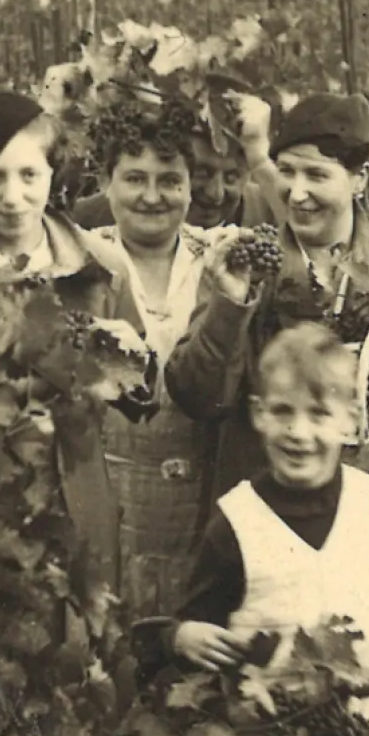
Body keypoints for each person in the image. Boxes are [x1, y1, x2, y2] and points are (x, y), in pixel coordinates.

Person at [169, 325, 369, 736]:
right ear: (258, 414)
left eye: (319, 414)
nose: (299, 432)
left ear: (350, 421)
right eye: (283, 411)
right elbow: (193, 617)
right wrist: (183, 636)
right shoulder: (236, 522)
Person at [165, 93, 369, 500]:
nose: (297, 192)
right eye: (287, 172)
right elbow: (198, 397)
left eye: (317, 175)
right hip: (265, 502)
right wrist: (229, 305)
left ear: (359, 178)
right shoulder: (250, 263)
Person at [0, 91, 155, 602]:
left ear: (52, 175)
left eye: (29, 175)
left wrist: (135, 362)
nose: (12, 196)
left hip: (79, 495)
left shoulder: (101, 266)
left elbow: (139, 402)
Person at [75, 103, 225, 621]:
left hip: (201, 508)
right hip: (113, 505)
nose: (152, 196)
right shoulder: (79, 264)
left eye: (170, 180)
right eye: (134, 178)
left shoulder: (218, 259)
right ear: (105, 181)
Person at [72, 78, 279, 233]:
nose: (216, 194)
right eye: (202, 172)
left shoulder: (273, 211)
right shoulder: (91, 220)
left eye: (232, 177)